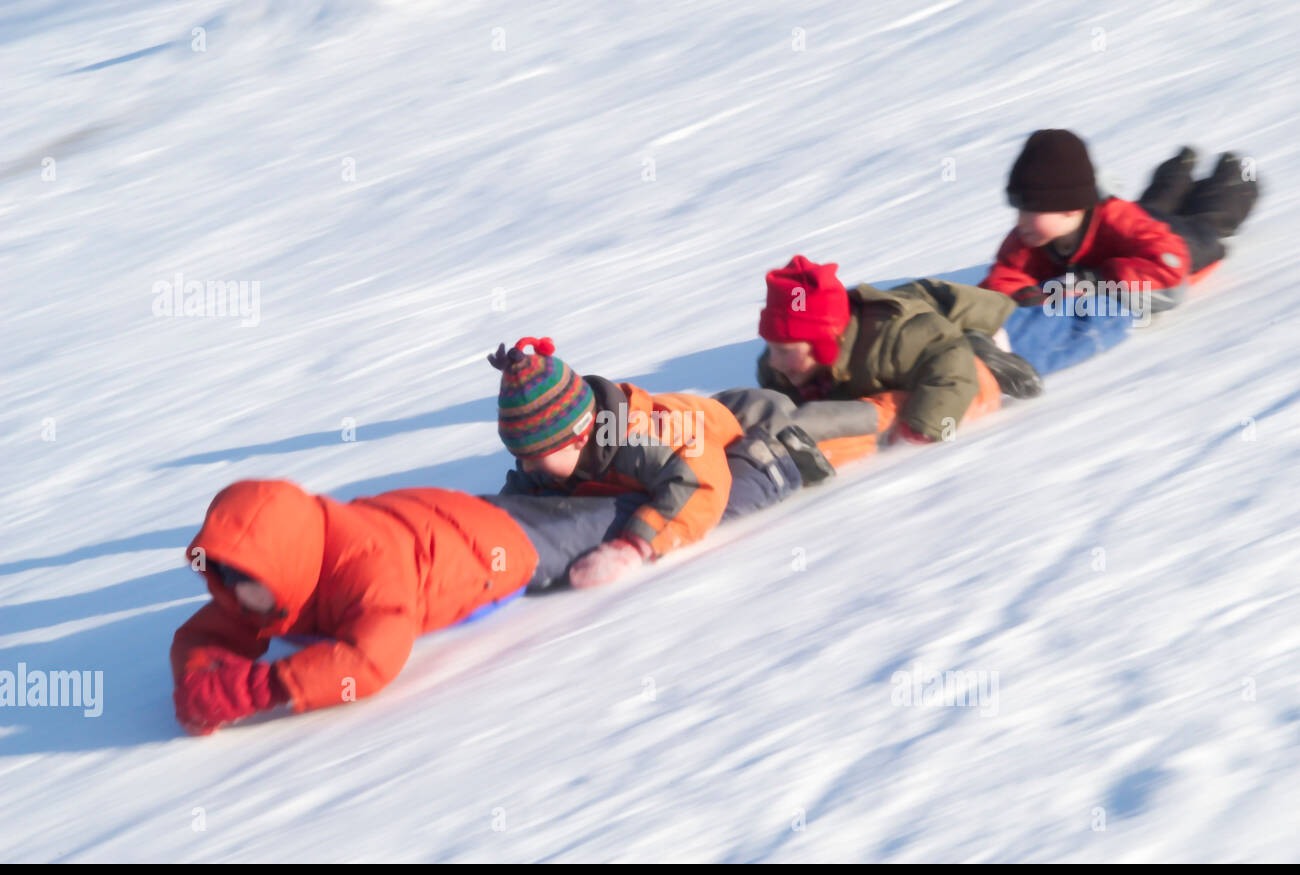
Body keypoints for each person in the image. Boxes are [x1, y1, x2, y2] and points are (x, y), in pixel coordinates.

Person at [170, 478, 654, 735]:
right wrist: (199, 679)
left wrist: (257, 688)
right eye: (222, 572)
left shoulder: (367, 569)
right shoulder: (266, 586)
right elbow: (196, 636)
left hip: (504, 545)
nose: (229, 590)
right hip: (434, 517)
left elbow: (370, 660)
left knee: (628, 512)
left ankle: (714, 473)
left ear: (284, 561)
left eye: (240, 575)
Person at [489, 337, 837, 588]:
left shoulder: (635, 440)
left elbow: (698, 484)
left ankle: (788, 454)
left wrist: (634, 545)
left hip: (737, 432)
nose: (528, 468)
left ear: (580, 436)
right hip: (697, 422)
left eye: (535, 458)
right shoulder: (549, 454)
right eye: (522, 457)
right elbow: (523, 487)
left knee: (725, 498)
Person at [981, 129, 1259, 372]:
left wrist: (1101, 280)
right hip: (1143, 222)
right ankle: (1179, 166)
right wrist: (1017, 295)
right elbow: (1005, 272)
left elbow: (1166, 269)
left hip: (1179, 244)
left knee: (1211, 219)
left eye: (1031, 212)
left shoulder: (1117, 221)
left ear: (1070, 208)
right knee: (1155, 202)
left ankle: (1232, 176)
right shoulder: (1028, 238)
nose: (1021, 222)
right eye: (1019, 210)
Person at [753, 255, 1040, 458]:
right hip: (928, 329)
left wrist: (927, 423)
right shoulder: (777, 368)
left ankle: (983, 347)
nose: (774, 361)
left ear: (824, 345)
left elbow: (950, 363)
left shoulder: (893, 339)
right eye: (772, 347)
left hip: (970, 320)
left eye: (784, 351)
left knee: (1045, 340)